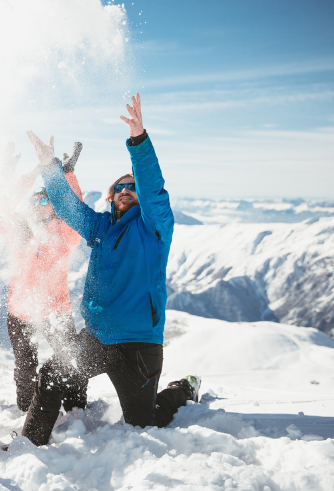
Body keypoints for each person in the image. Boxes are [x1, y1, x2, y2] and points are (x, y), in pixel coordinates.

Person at [21, 94, 200, 447]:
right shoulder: (100, 228)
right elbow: (69, 208)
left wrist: (139, 141)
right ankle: (29, 444)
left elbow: (154, 191)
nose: (126, 190)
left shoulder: (155, 228)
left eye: (132, 187)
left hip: (138, 345)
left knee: (143, 423)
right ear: (110, 196)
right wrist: (48, 167)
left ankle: (182, 389)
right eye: (119, 187)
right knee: (52, 374)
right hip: (98, 338)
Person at [0, 141, 87, 412]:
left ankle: (76, 410)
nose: (38, 203)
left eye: (45, 199)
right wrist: (6, 173)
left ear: (53, 206)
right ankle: (26, 410)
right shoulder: (18, 231)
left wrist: (65, 175)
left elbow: (75, 209)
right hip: (20, 312)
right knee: (25, 367)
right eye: (35, 199)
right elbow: (0, 206)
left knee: (69, 361)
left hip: (56, 311)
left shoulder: (64, 232)